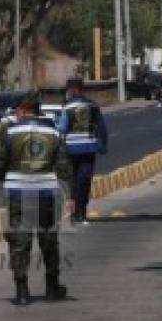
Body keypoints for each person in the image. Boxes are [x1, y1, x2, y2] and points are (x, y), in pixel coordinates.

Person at [0, 94, 72, 307]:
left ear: (25, 110)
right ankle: (53, 287)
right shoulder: (54, 132)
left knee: (19, 242)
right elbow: (63, 166)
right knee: (49, 241)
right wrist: (69, 196)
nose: (15, 115)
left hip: (17, 192)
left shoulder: (8, 132)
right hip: (47, 192)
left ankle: (22, 290)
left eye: (17, 110)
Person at [55, 78, 108, 225]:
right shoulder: (92, 106)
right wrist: (103, 144)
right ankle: (81, 213)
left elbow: (61, 129)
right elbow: (101, 127)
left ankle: (74, 215)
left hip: (70, 150)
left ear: (72, 90)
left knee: (72, 184)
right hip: (88, 148)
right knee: (84, 182)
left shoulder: (67, 108)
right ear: (82, 90)